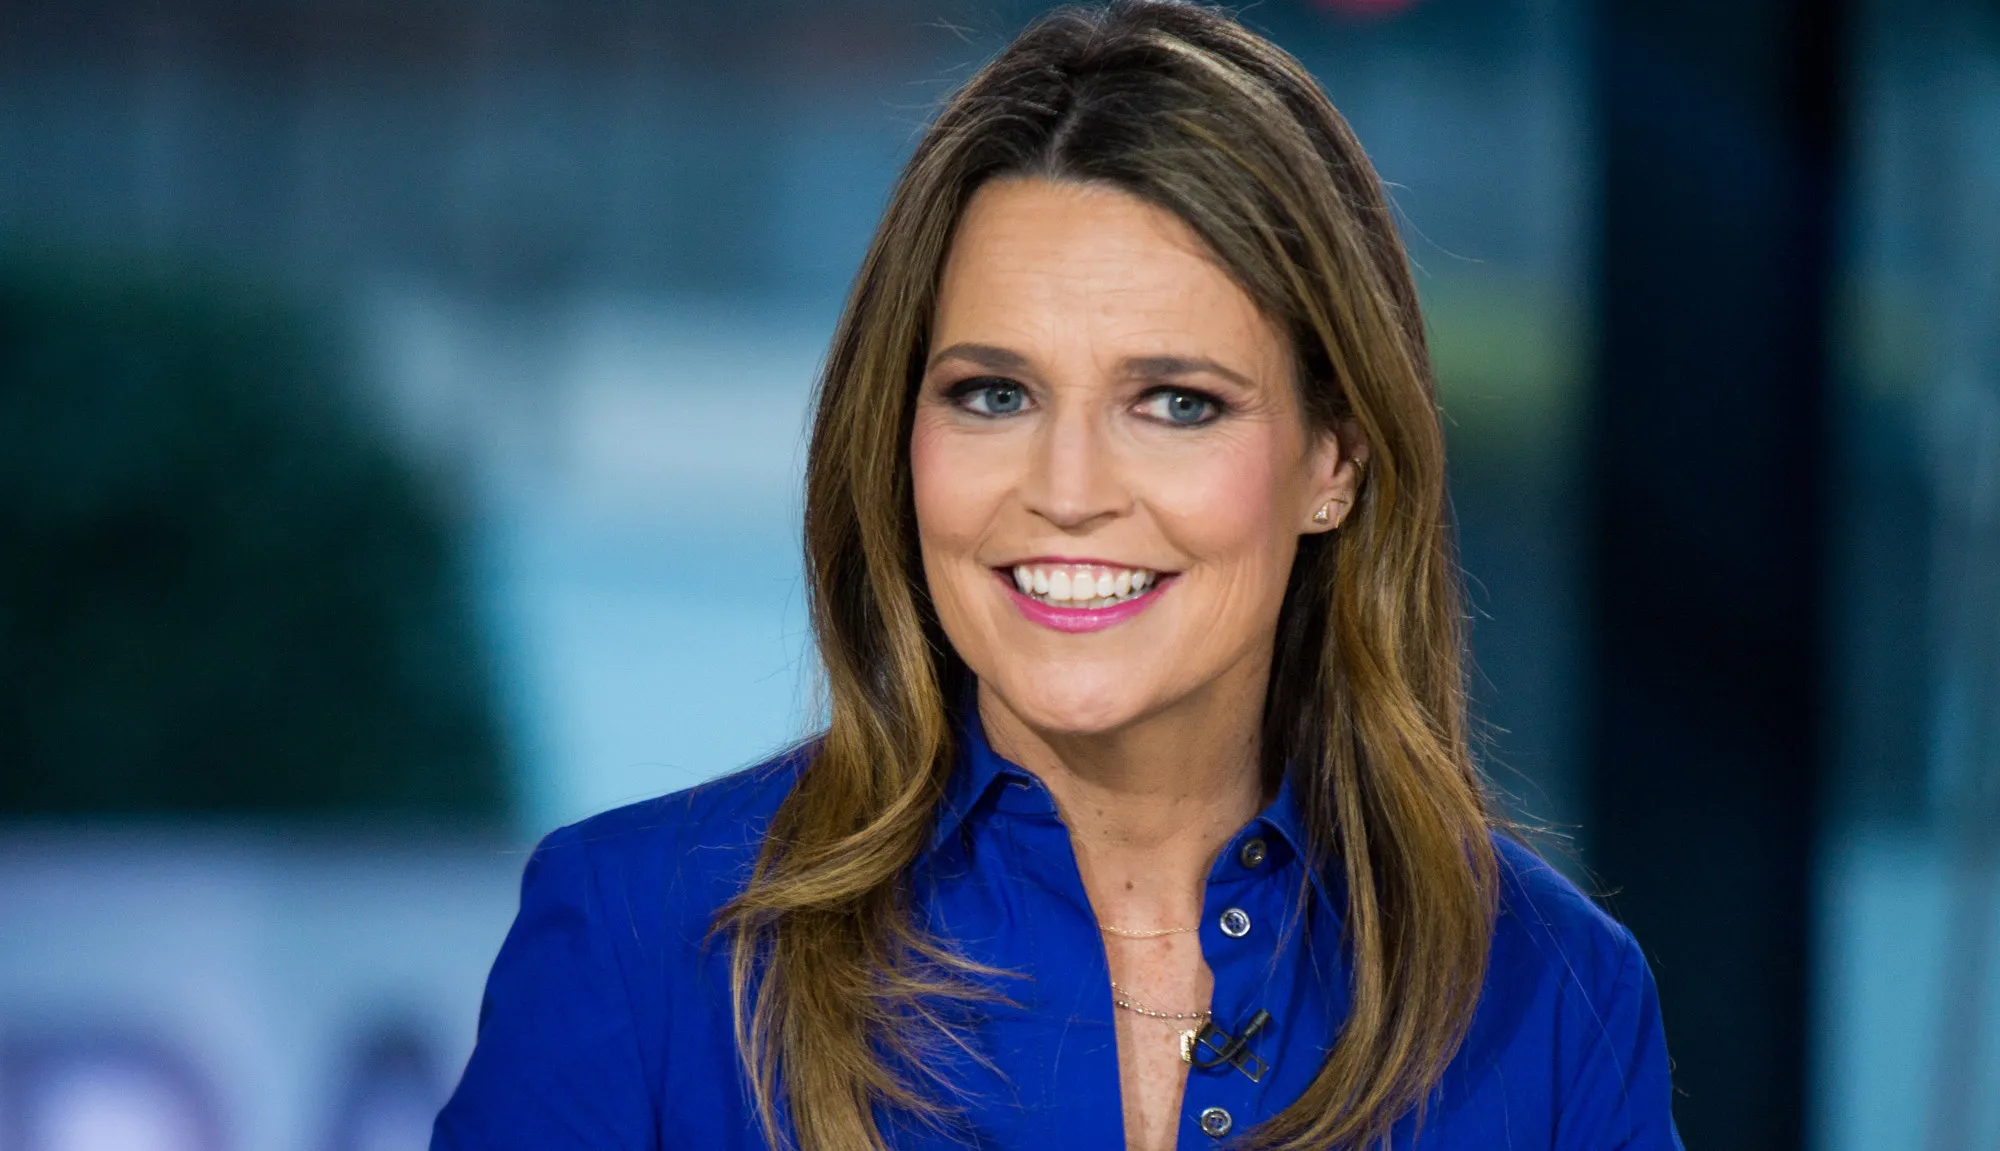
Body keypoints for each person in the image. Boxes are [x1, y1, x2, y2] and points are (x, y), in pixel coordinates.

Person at [430, 3, 1682, 1148]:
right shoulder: (641, 943)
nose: (1067, 487)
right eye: (993, 394)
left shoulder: (1549, 996)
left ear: (1332, 461)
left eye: (1175, 401)